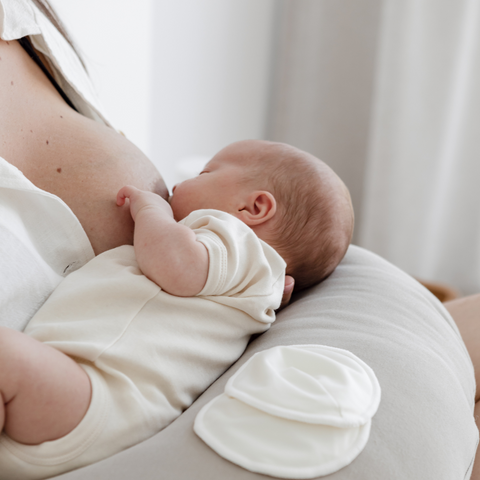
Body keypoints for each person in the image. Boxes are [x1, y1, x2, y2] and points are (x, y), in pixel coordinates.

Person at [0, 139, 353, 479]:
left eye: (204, 173)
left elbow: (177, 266)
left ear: (254, 208)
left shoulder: (246, 250)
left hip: (96, 396)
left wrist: (152, 209)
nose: (181, 182)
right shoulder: (246, 279)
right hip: (81, 405)